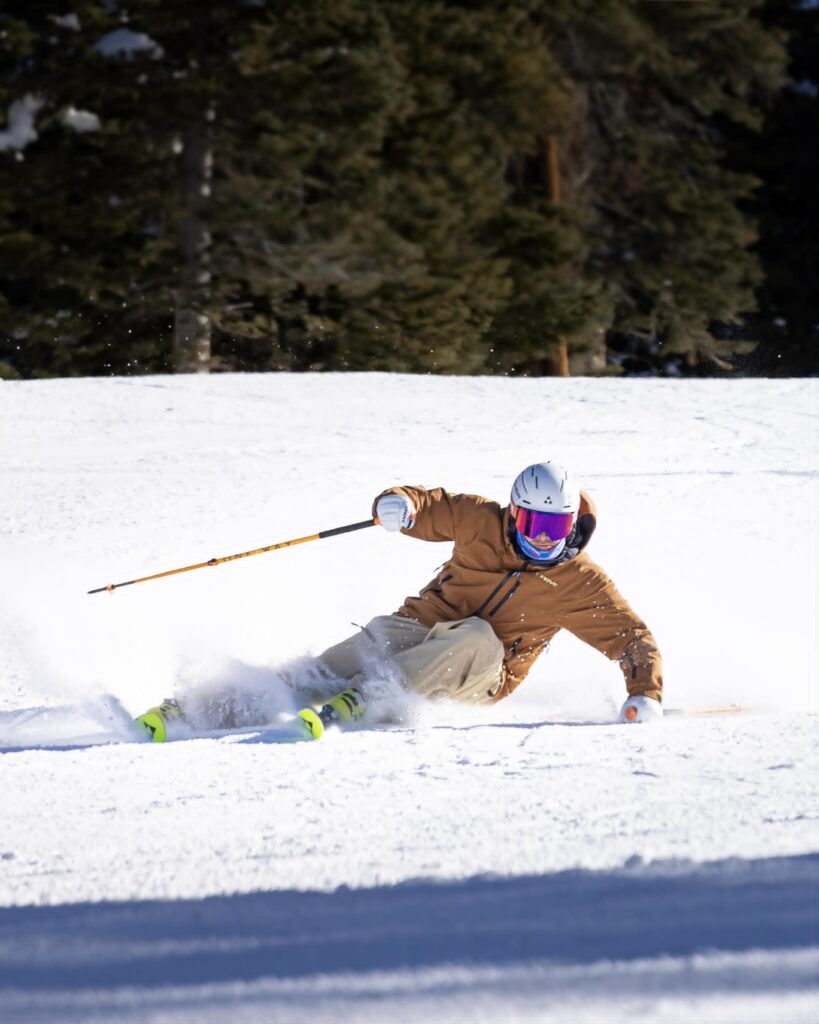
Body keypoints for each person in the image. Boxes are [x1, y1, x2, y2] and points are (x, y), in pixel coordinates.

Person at [136, 462, 663, 742]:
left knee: (477, 636)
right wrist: (399, 505)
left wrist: (646, 693)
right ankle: (206, 708)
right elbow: (430, 505)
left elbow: (632, 639)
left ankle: (368, 698)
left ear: (571, 523)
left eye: (555, 527)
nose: (544, 539)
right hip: (419, 630)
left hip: (481, 673)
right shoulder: (479, 520)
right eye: (533, 524)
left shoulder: (581, 581)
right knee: (348, 656)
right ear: (514, 513)